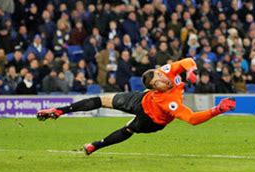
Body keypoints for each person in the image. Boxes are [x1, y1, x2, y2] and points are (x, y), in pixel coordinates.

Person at [36, 58, 236, 155]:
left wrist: (192, 70)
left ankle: (95, 145)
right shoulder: (166, 100)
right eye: (157, 81)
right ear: (154, 88)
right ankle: (60, 111)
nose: (162, 79)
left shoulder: (165, 73)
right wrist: (216, 110)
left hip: (150, 117)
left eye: (160, 75)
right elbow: (192, 119)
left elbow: (187, 61)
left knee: (129, 128)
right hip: (145, 106)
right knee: (102, 100)